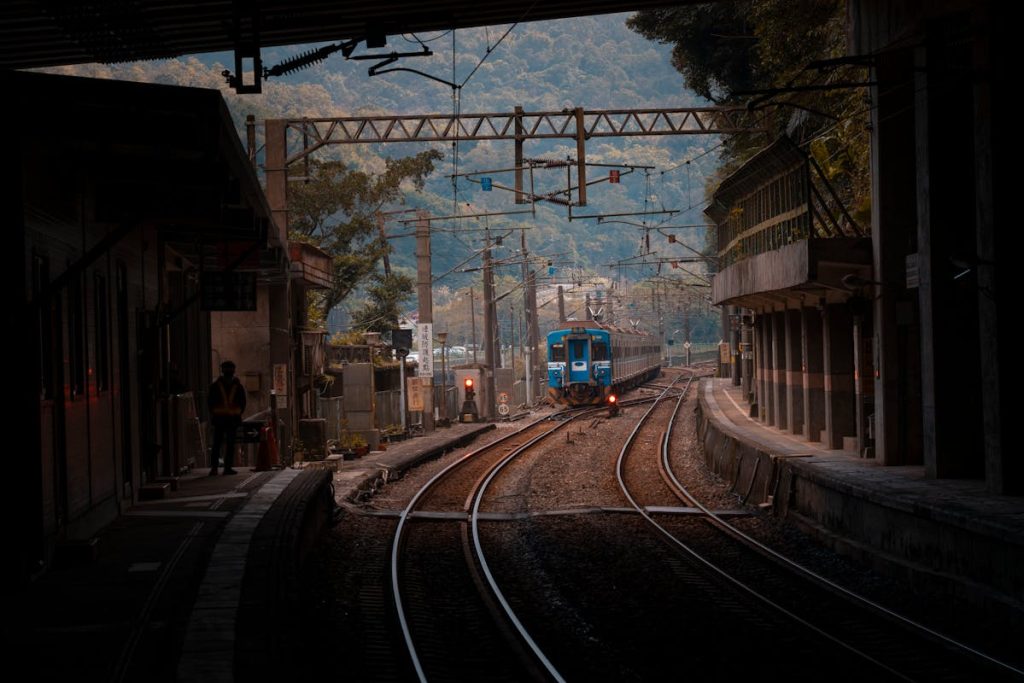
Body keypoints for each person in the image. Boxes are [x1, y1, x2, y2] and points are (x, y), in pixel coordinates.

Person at [208, 360, 246, 475]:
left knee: (217, 443)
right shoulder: (238, 386)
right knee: (229, 444)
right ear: (233, 371)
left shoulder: (215, 386)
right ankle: (227, 468)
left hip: (219, 419)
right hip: (232, 419)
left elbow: (210, 402)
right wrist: (238, 413)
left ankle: (214, 468)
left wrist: (214, 413)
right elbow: (243, 402)